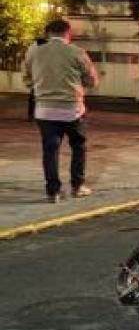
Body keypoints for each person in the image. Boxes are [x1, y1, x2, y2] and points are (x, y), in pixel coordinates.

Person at [23, 19, 99, 203]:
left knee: (50, 150)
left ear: (47, 33)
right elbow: (92, 80)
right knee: (78, 146)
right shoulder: (76, 52)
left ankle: (53, 192)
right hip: (71, 110)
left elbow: (27, 78)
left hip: (44, 110)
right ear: (68, 33)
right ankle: (78, 186)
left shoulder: (34, 50)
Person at [26, 37, 48, 122]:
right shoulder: (39, 50)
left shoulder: (32, 50)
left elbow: (28, 63)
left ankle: (31, 115)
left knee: (33, 96)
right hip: (40, 77)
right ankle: (34, 115)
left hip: (36, 77)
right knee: (37, 96)